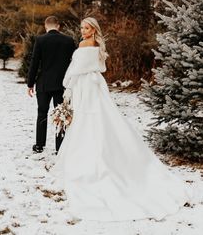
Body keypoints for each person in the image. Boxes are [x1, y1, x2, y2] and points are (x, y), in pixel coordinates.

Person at [51, 17, 191, 221]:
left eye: (86, 28)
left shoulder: (83, 45)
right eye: (82, 27)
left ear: (93, 30)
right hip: (95, 84)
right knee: (99, 118)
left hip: (84, 85)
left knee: (86, 119)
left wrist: (68, 86)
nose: (83, 31)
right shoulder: (98, 46)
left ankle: (88, 161)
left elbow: (75, 69)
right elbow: (99, 67)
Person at [27, 16, 76, 154]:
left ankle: (39, 145)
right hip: (62, 84)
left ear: (45, 26)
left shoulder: (40, 40)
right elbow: (74, 63)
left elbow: (34, 63)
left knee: (42, 112)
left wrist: (30, 84)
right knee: (61, 114)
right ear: (58, 26)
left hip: (44, 83)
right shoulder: (69, 41)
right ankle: (60, 147)